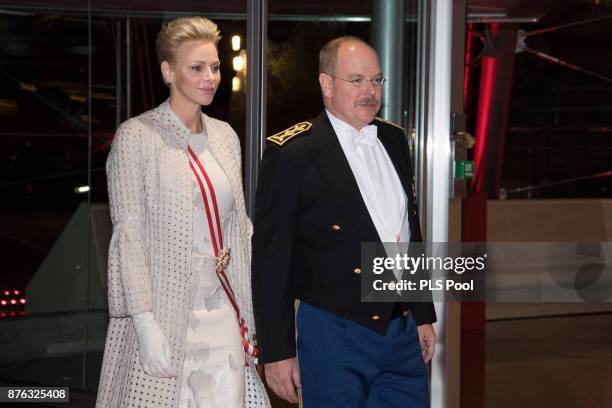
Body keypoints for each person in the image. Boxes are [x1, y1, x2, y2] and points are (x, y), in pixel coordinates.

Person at [251, 36, 437, 407]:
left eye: (376, 80)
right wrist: (276, 351)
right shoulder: (292, 154)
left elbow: (406, 231)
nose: (370, 91)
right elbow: (270, 262)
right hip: (333, 332)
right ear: (326, 84)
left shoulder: (395, 140)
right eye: (357, 80)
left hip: (400, 332)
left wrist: (421, 313)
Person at [96, 17, 269, 408]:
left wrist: (258, 306)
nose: (210, 77)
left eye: (215, 67)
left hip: (222, 307)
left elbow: (239, 229)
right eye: (196, 68)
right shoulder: (137, 136)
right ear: (168, 71)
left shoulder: (225, 136)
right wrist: (143, 321)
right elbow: (129, 235)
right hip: (165, 311)